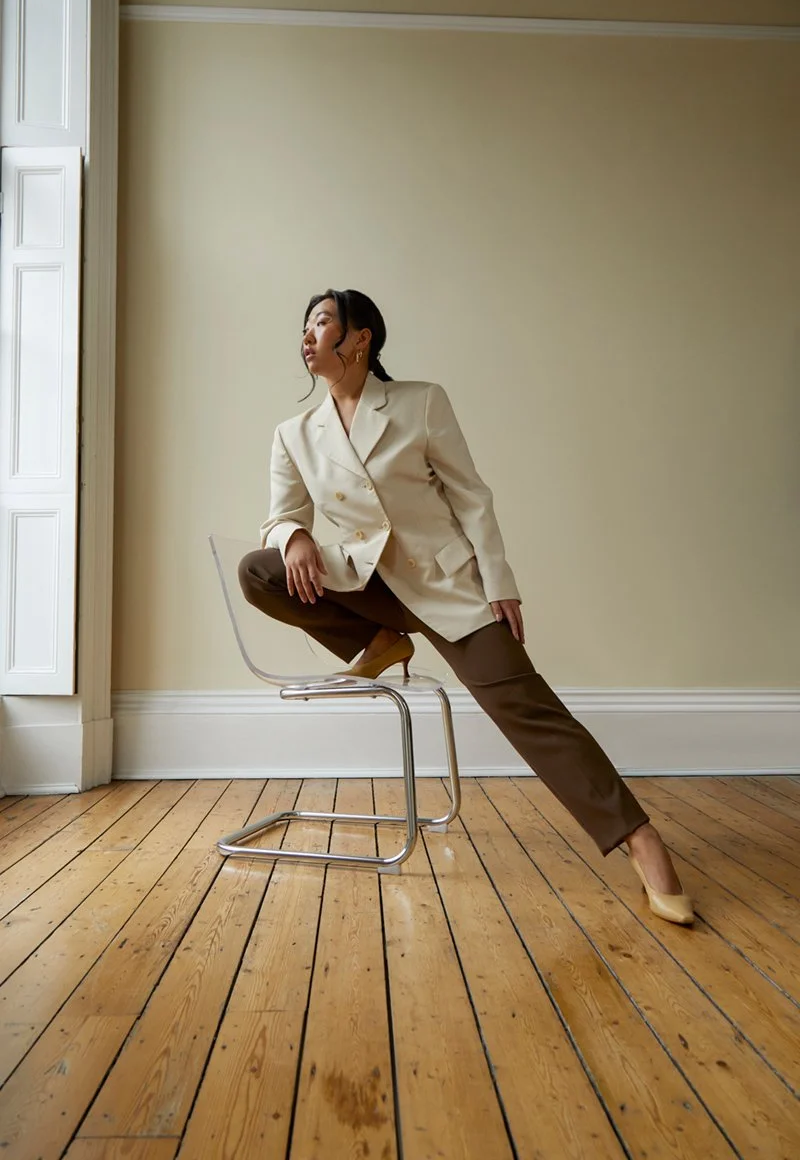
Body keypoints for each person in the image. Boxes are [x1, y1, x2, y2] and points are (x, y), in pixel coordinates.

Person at [239, 288, 694, 925]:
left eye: (322, 323)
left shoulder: (421, 402)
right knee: (258, 569)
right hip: (366, 584)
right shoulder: (294, 434)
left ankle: (641, 841)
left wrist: (500, 583)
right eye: (306, 325)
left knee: (530, 711)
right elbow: (280, 517)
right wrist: (295, 536)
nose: (308, 336)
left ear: (360, 337)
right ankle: (378, 640)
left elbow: (471, 496)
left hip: (442, 583)